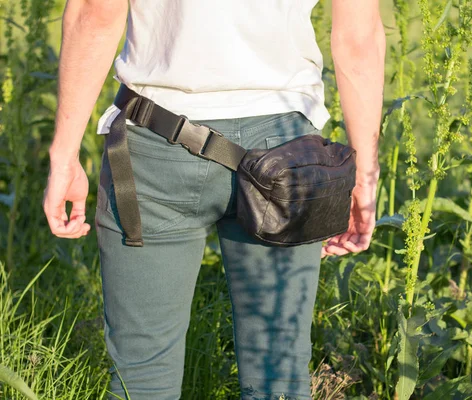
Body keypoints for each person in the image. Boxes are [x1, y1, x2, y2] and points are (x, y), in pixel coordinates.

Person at [43, 0, 385, 398]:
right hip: (287, 159)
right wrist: (363, 173)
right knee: (279, 372)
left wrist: (64, 155)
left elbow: (95, 11)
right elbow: (357, 38)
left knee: (142, 377)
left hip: (158, 140)